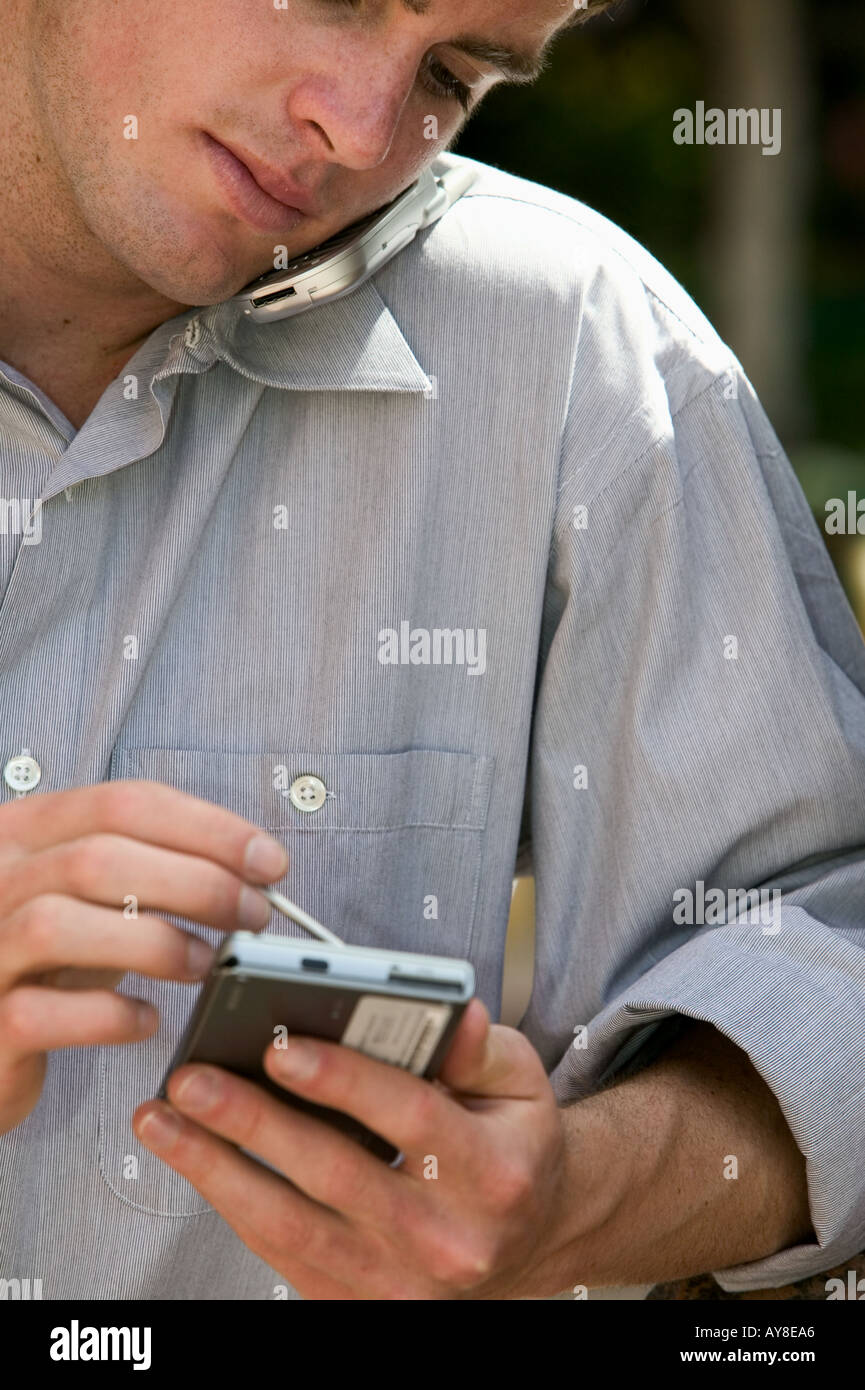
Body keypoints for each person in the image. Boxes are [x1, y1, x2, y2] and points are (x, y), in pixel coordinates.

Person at [0, 0, 862, 1302]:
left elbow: (823, 947)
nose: (353, 131)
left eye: (454, 74)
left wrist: (575, 1193)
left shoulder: (579, 352)